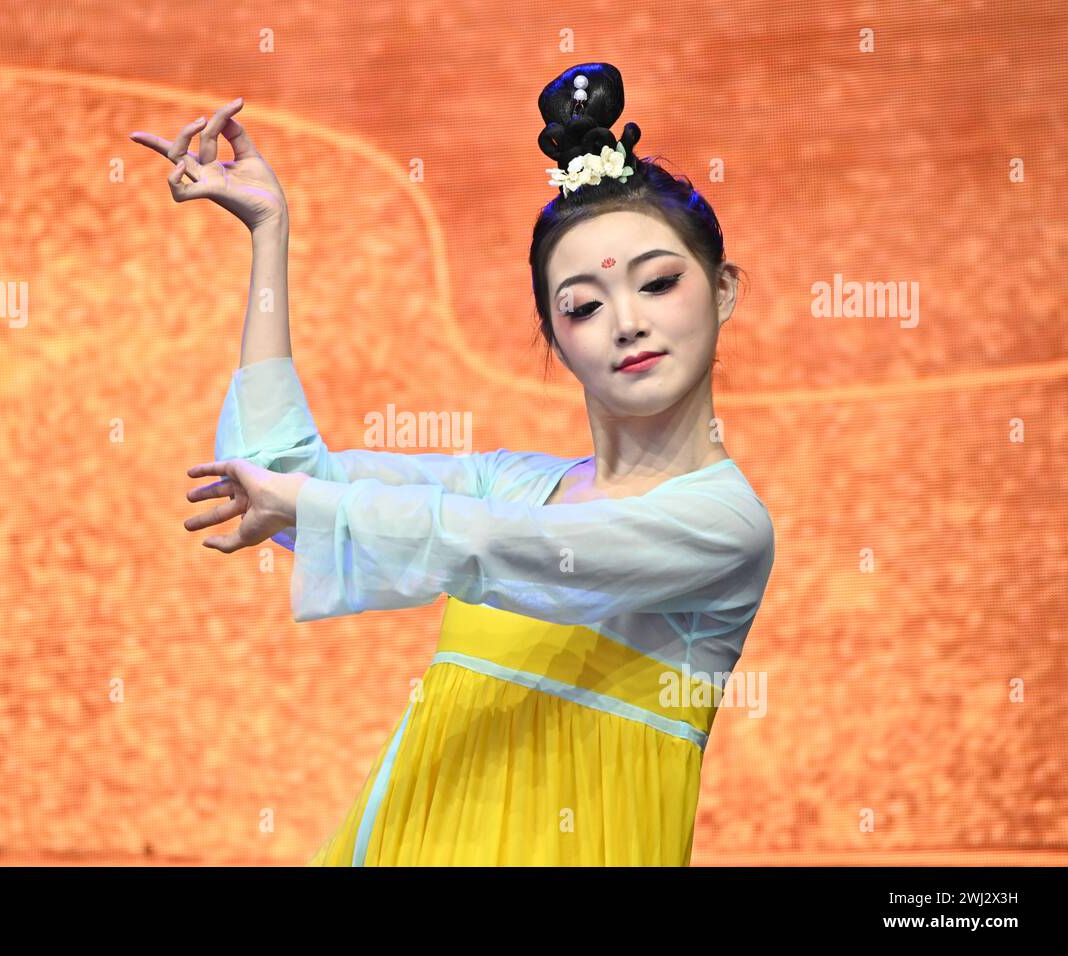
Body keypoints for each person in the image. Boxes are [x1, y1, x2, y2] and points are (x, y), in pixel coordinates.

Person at [131, 61, 776, 866]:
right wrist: (269, 234)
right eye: (582, 304)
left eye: (659, 283)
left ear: (722, 291)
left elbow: (488, 548)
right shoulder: (512, 487)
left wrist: (311, 506)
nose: (626, 323)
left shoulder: (726, 527)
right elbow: (279, 467)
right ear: (554, 336)